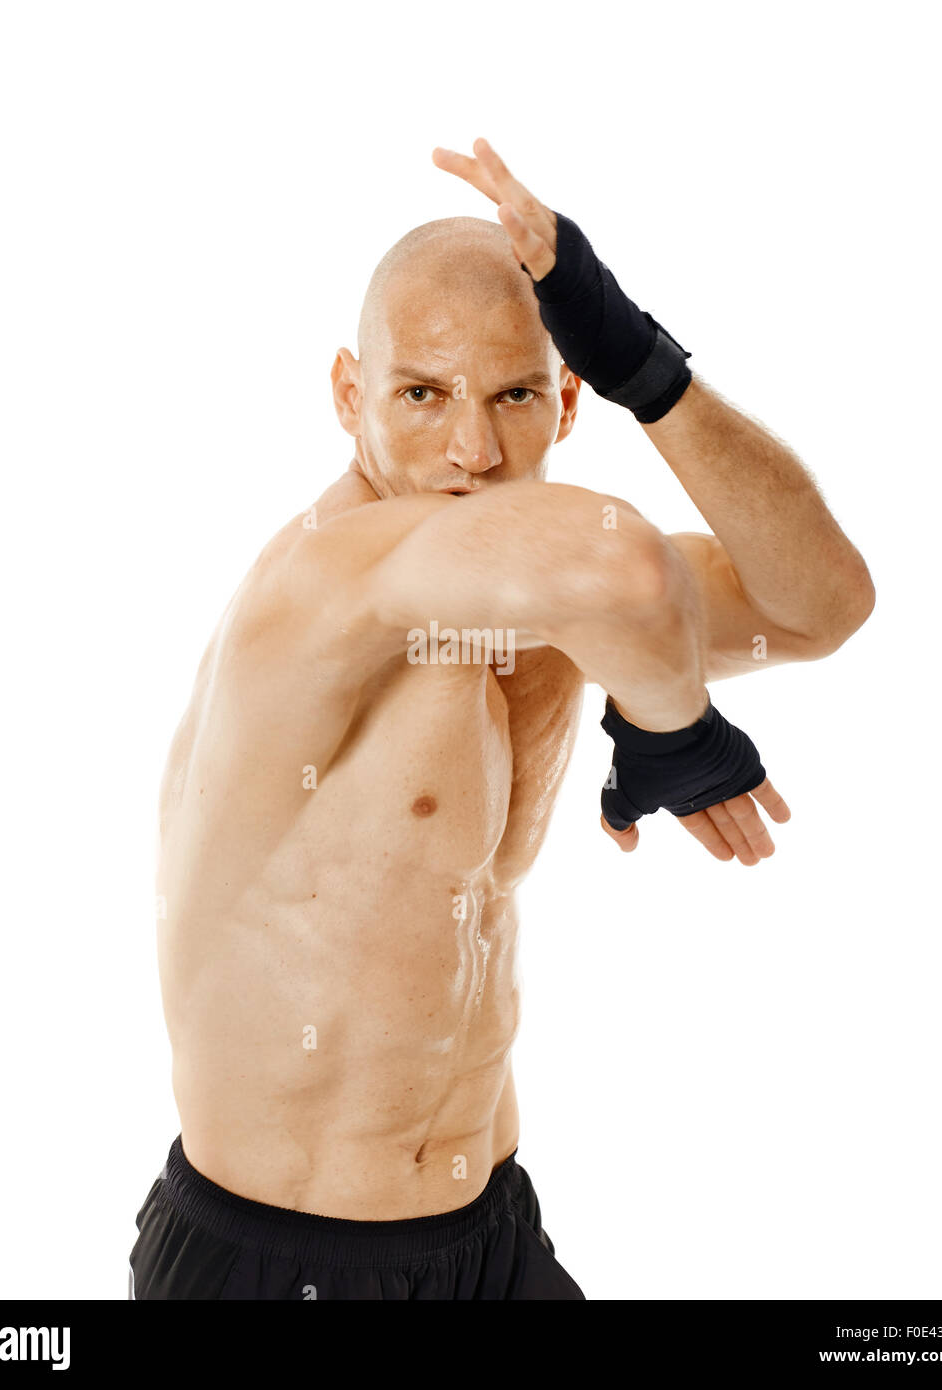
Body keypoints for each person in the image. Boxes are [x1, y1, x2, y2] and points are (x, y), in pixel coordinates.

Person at [128, 137, 874, 1300]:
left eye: (514, 395)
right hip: (286, 1260)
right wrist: (666, 722)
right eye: (419, 395)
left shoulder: (544, 601)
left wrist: (641, 361)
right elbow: (615, 568)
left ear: (565, 401)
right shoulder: (325, 587)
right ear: (346, 394)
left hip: (491, 1234)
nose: (470, 452)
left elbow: (821, 602)